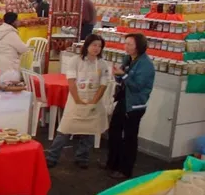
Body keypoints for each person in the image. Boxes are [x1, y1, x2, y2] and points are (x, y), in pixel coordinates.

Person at [45, 34, 110, 169]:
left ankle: (82, 157)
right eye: (94, 45)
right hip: (76, 98)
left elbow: (104, 84)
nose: (96, 48)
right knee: (65, 129)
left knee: (89, 130)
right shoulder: (76, 60)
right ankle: (52, 156)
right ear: (87, 45)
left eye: (99, 46)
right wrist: (78, 99)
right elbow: (71, 81)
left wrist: (94, 100)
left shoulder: (102, 64)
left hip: (94, 100)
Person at [106, 34, 155, 179]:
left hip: (135, 105)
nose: (126, 47)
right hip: (123, 100)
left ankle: (125, 170)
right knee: (114, 131)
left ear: (139, 46)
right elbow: (121, 79)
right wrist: (117, 74)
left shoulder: (145, 65)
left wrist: (124, 75)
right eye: (125, 43)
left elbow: (137, 86)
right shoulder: (127, 59)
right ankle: (112, 163)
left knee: (129, 138)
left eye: (130, 44)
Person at [0, 12, 28, 85]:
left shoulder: (0, 31)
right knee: (10, 89)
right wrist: (27, 45)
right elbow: (22, 49)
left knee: (1, 86)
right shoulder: (10, 33)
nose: (18, 22)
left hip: (0, 62)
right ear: (13, 22)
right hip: (9, 64)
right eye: (17, 20)